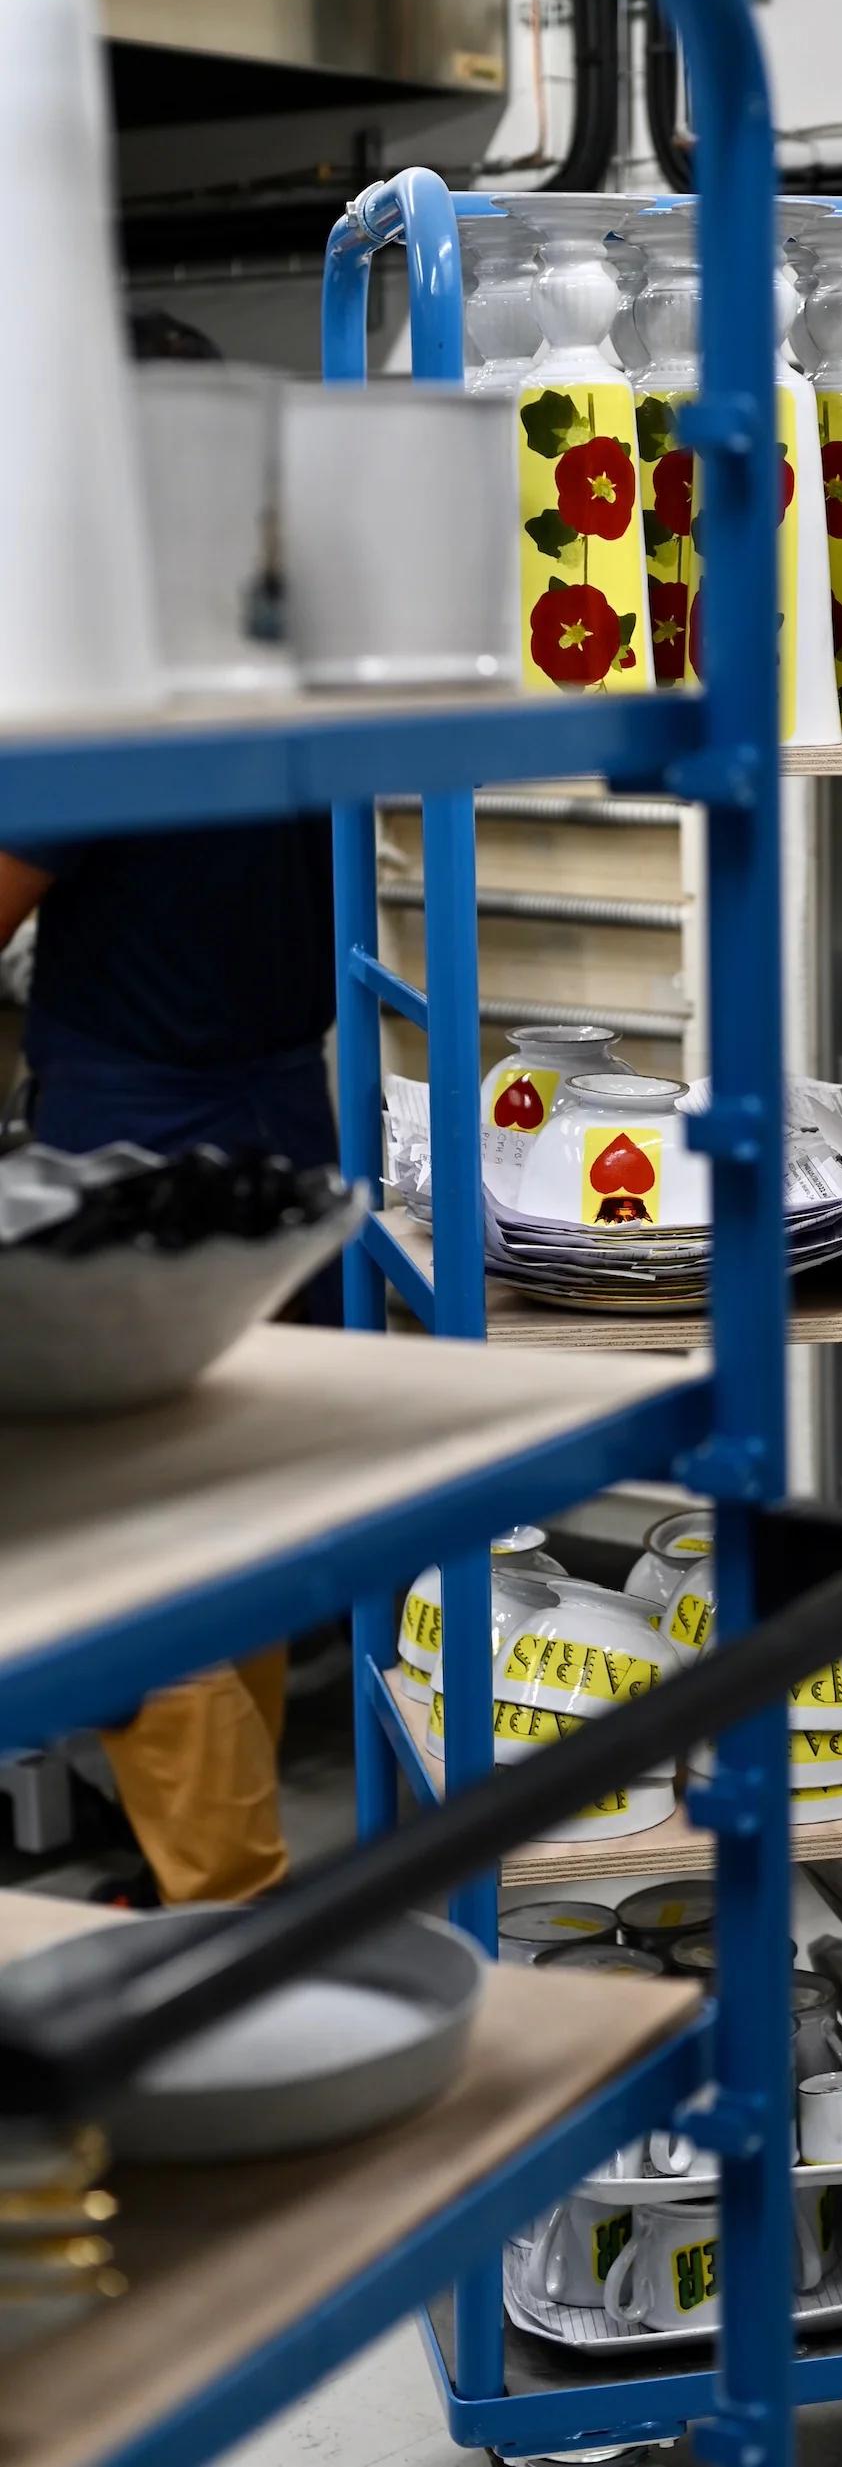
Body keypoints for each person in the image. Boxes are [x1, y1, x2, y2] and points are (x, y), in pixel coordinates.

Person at [0, 311, 341, 1906]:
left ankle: (225, 1899)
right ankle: (205, 1857)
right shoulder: (269, 631)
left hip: (135, 1128)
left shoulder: (110, 661)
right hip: (284, 1114)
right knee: (236, 1512)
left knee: (141, 1539)